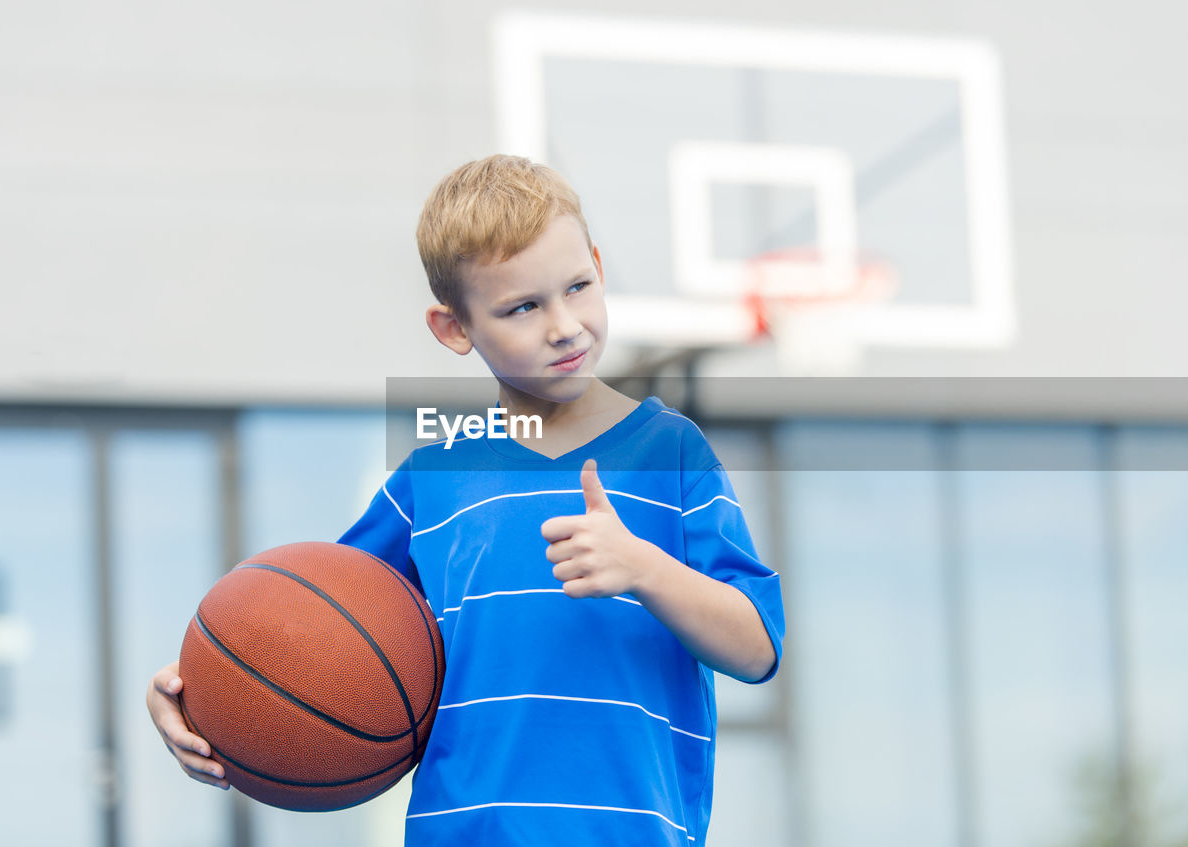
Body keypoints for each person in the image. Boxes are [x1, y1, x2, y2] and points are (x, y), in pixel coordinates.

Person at [147, 154, 785, 845]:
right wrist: (196, 690)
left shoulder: (671, 453)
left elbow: (757, 647)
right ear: (455, 328)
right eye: (522, 307)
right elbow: (307, 631)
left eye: (578, 286)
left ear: (599, 264)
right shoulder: (432, 480)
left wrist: (644, 568)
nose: (564, 325)